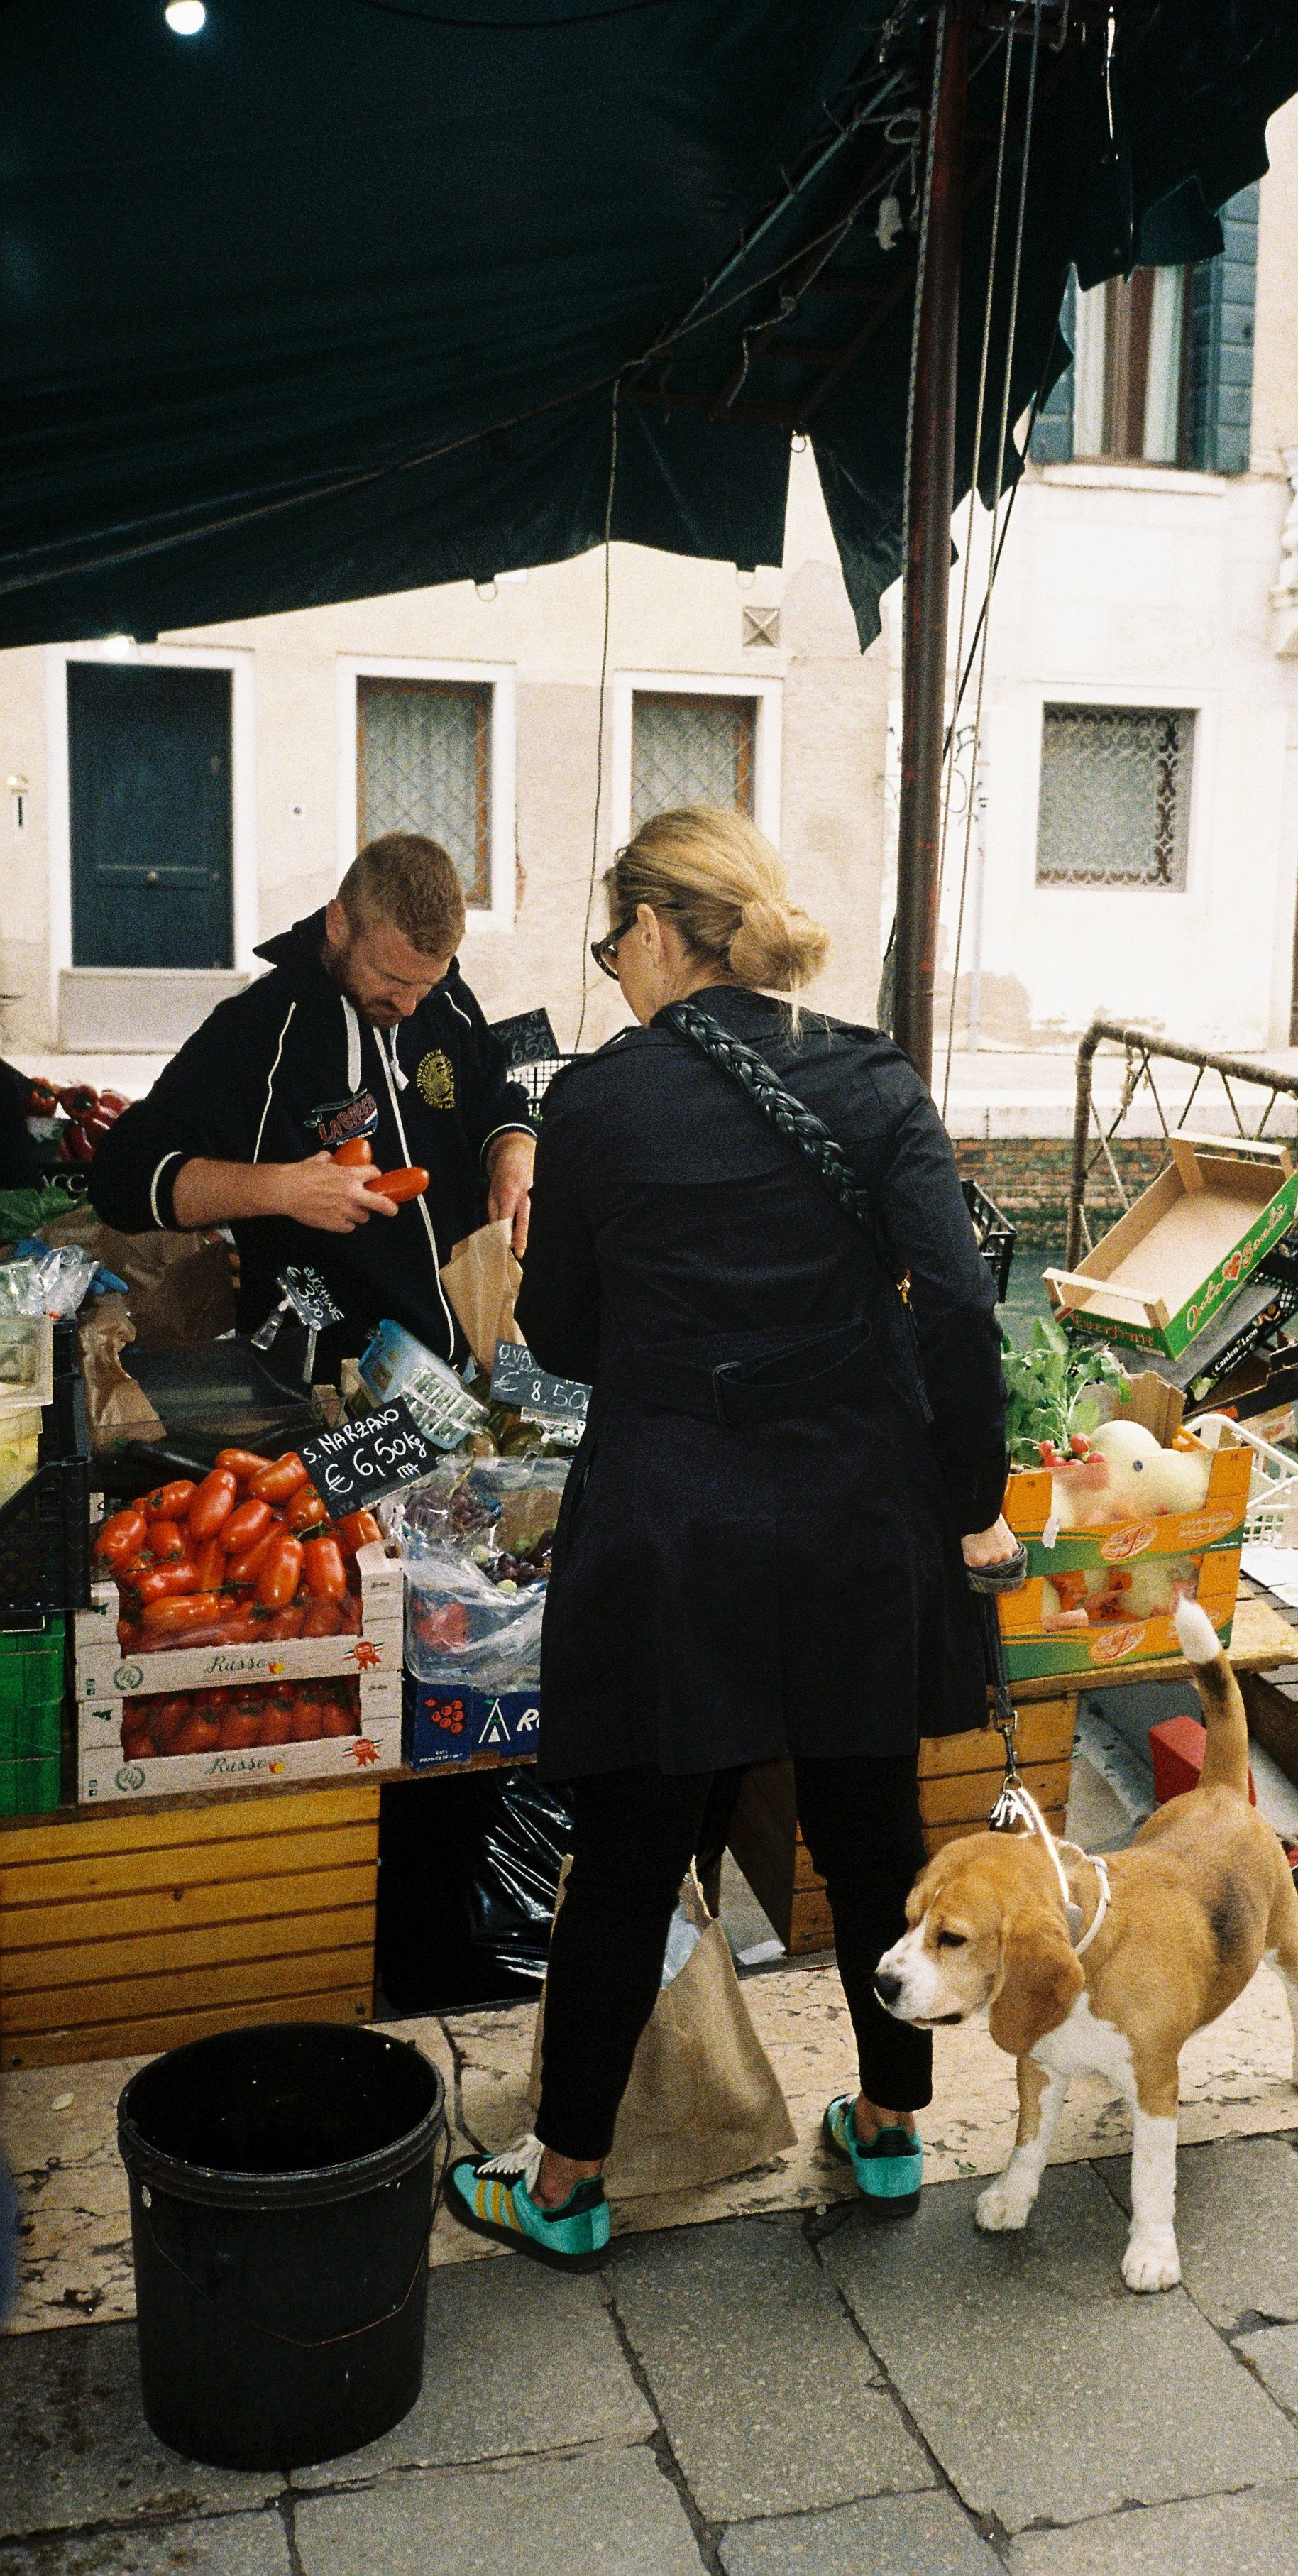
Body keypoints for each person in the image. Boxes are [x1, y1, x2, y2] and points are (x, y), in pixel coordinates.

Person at [445, 806, 1013, 2267]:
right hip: (852, 1512)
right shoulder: (873, 1073)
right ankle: (889, 2138)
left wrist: (548, 1260)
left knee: (629, 1851)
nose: (612, 970)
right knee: (871, 1824)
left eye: (609, 943)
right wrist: (971, 1505)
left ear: (649, 932)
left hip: (673, 1521)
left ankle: (567, 2183)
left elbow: (562, 1340)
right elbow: (956, 1308)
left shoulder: (597, 1103)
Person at [88, 833, 536, 1366]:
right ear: (338, 924)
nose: (410, 1005)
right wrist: (281, 1188)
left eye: (427, 983)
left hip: (468, 1359)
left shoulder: (445, 1001)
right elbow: (123, 1176)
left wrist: (513, 1154)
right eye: (391, 978)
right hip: (326, 1384)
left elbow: (494, 1100)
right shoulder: (257, 1030)